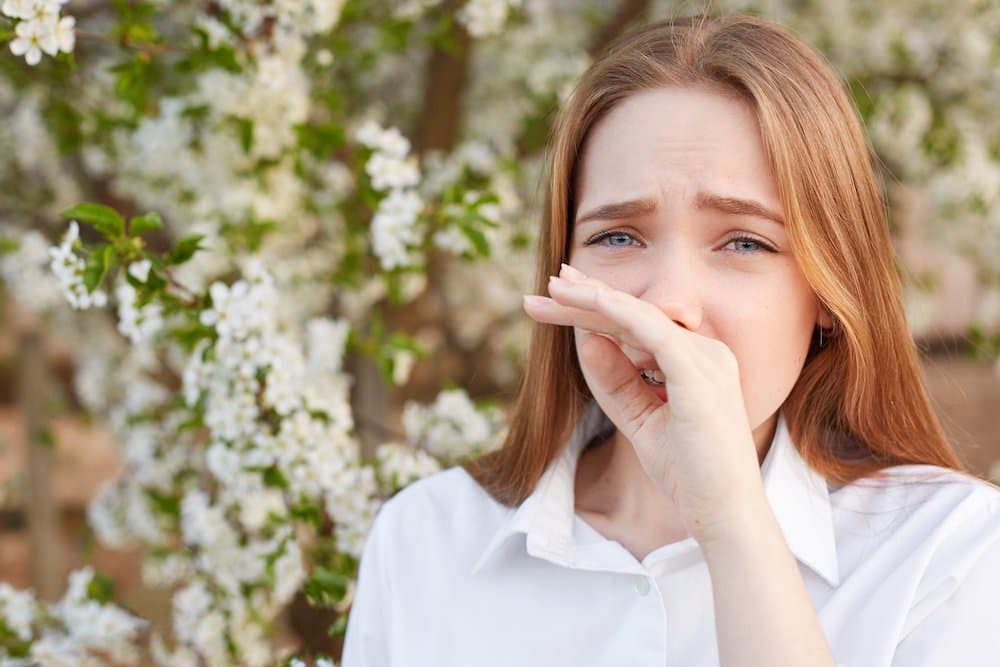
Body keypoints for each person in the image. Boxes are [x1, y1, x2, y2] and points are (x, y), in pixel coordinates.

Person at [340, 11, 1000, 667]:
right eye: (618, 237)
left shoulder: (948, 553)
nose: (667, 304)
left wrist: (731, 518)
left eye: (744, 241)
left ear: (829, 293)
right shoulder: (425, 539)